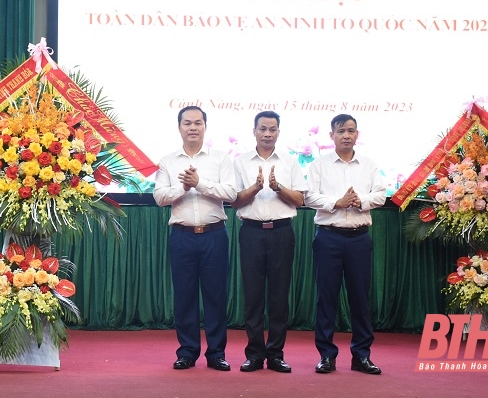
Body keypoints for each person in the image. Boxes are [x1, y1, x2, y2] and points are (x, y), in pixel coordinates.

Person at [153, 106, 237, 371]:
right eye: (187, 123)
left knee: (216, 296)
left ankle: (216, 353)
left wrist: (199, 183)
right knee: (184, 296)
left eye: (198, 123)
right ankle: (187, 351)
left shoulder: (221, 159)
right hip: (182, 237)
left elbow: (231, 193)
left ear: (205, 127)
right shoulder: (168, 161)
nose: (192, 127)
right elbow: (159, 197)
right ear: (179, 127)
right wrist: (184, 187)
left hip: (214, 236)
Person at [305, 114, 386, 375]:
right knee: (326, 299)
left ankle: (361, 356)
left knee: (360, 299)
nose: (346, 135)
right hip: (328, 237)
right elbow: (309, 197)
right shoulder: (319, 165)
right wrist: (337, 203)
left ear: (357, 134)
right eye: (341, 131)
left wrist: (359, 200)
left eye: (351, 131)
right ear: (331, 135)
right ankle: (326, 356)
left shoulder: (369, 165)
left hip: (359, 239)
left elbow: (381, 195)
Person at [232, 111, 306, 373]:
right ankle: (254, 354)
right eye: (262, 129)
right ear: (254, 131)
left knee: (279, 296)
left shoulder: (290, 162)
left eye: (272, 129)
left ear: (278, 132)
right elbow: (234, 201)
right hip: (251, 232)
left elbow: (299, 200)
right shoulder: (240, 162)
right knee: (253, 297)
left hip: (281, 233)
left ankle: (275, 354)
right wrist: (255, 187)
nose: (267, 134)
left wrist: (277, 187)